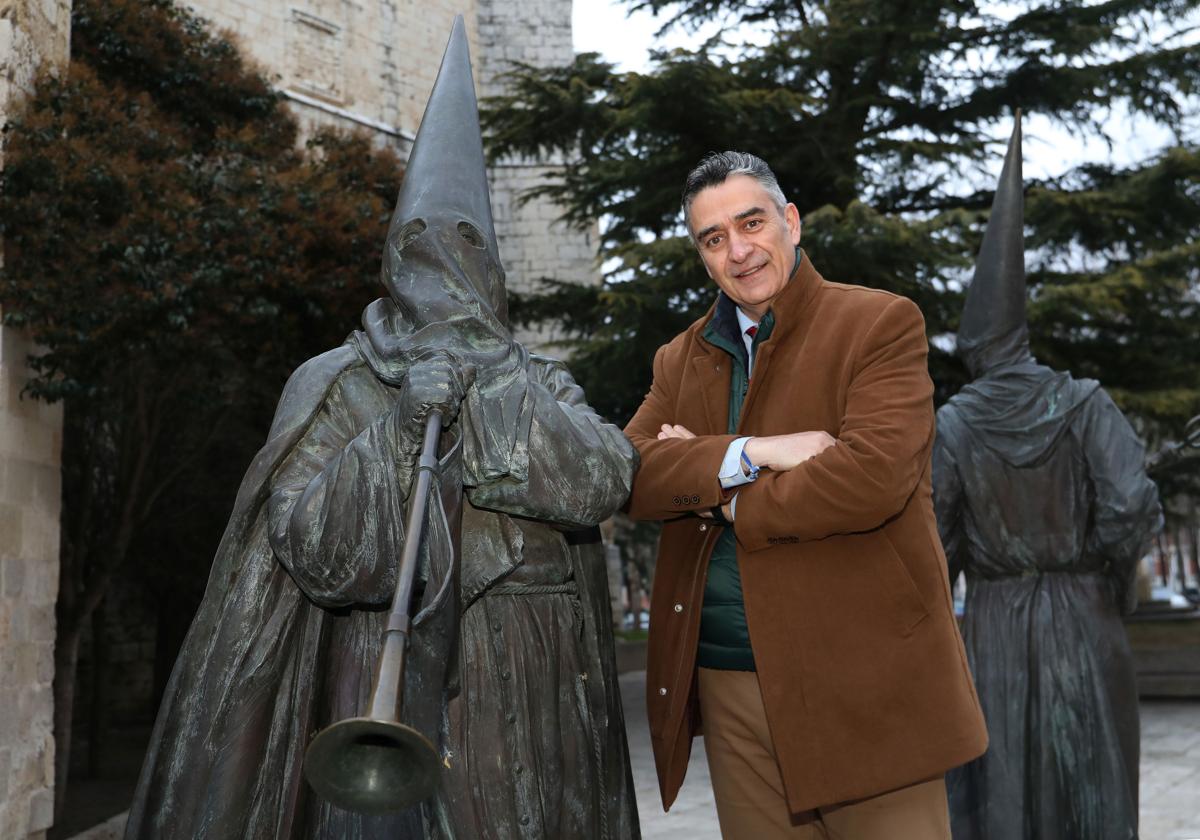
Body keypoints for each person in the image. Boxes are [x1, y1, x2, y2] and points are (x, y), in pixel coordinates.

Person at [125, 19, 639, 840]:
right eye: (418, 244)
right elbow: (306, 542)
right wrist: (398, 432)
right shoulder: (333, 379)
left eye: (464, 245)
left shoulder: (536, 376)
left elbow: (607, 476)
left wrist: (491, 385)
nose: (440, 264)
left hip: (529, 689)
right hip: (376, 676)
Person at [624, 150, 987, 838]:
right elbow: (631, 474)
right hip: (729, 682)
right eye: (713, 238)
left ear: (789, 221)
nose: (739, 250)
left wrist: (718, 495)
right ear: (701, 255)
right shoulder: (681, 358)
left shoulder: (878, 324)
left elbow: (869, 479)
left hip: (867, 680)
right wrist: (754, 453)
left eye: (751, 222)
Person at [934, 119, 1161, 840]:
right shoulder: (1088, 403)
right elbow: (1130, 505)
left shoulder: (952, 426)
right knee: (1093, 780)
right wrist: (1106, 574)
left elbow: (933, 544)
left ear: (976, 344)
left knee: (1003, 789)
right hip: (1087, 613)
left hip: (996, 624)